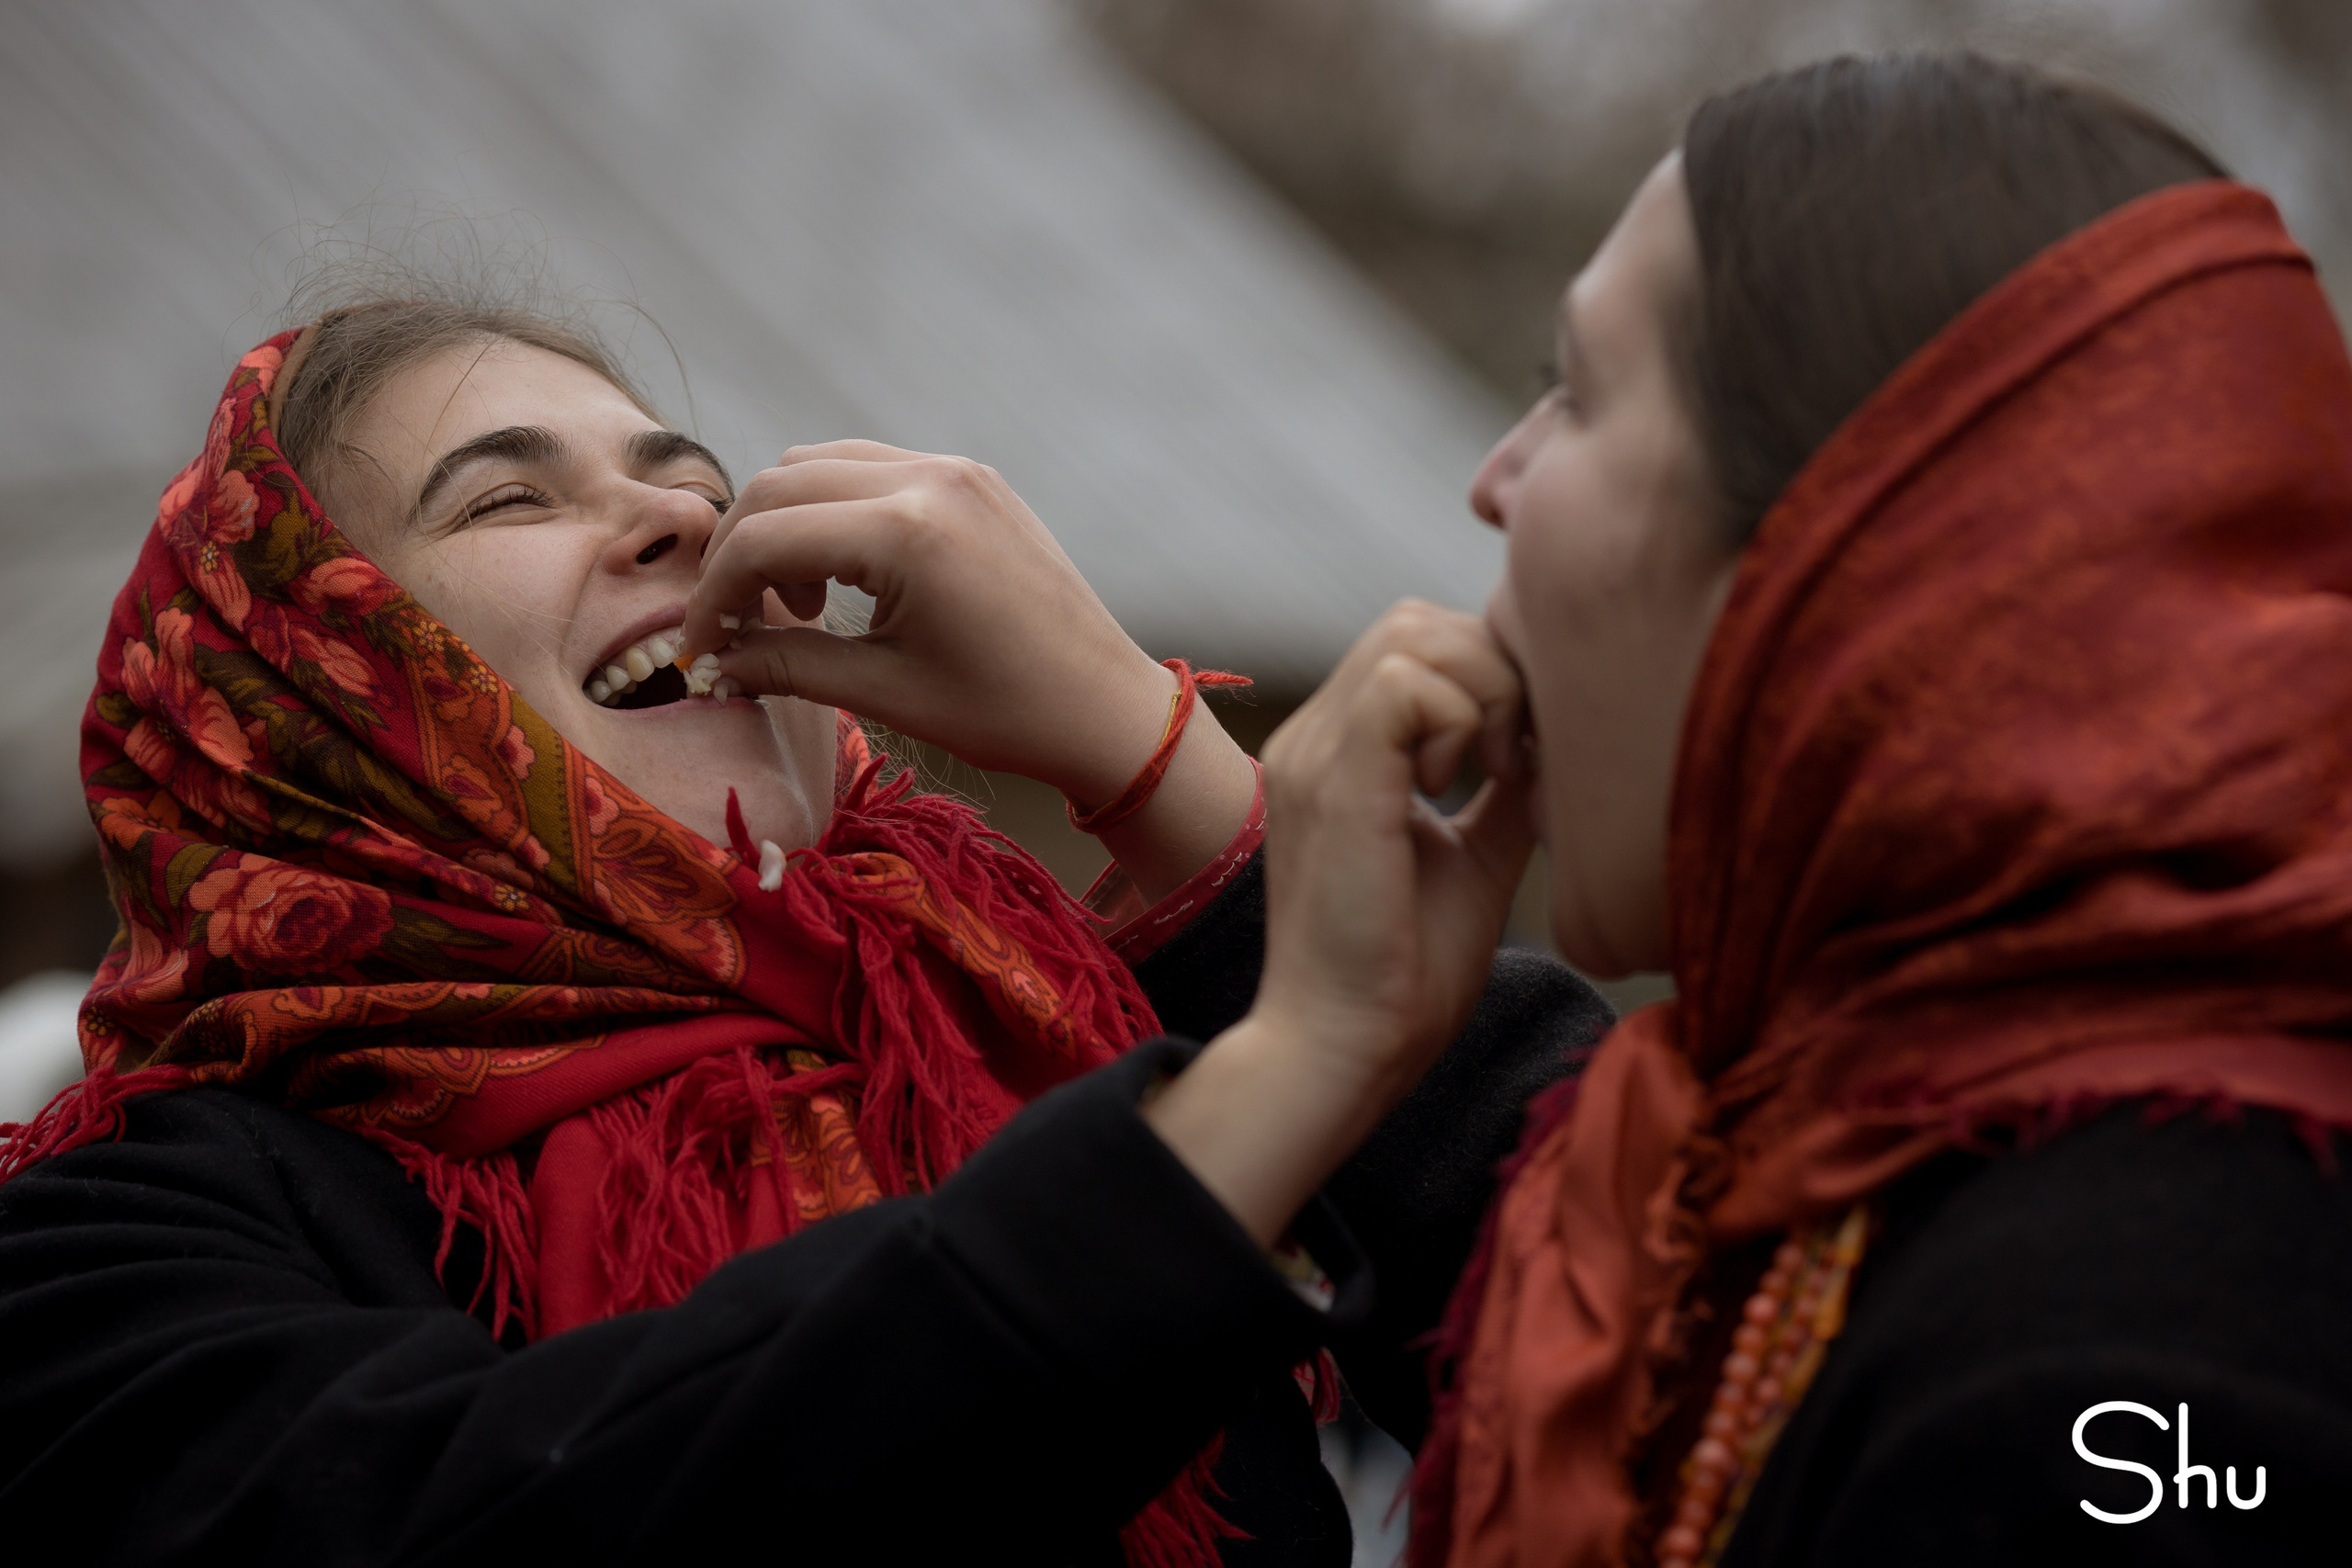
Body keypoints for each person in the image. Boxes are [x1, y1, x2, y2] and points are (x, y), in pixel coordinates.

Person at [0, 292, 1607, 1564]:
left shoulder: (1040, 1054)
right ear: (301, 702)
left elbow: (1688, 1340)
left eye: (689, 482)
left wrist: (1152, 758)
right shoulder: (101, 1256)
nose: (683, 525)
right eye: (504, 498)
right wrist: (1289, 1070)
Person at [1158, 51, 2352, 1566]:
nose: (1493, 479)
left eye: (1576, 393)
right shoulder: (1830, 1153)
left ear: (1846, 566)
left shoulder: (2144, 1363)